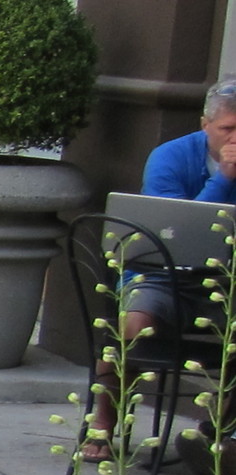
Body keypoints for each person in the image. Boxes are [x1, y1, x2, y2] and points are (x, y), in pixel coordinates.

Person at [86, 76, 236, 453]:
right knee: (131, 326)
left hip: (229, 283)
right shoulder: (170, 157)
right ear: (205, 126)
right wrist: (225, 177)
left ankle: (224, 433)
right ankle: (102, 425)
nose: (235, 139)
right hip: (166, 275)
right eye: (228, 129)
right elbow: (178, 231)